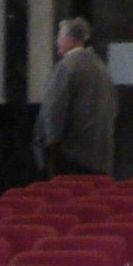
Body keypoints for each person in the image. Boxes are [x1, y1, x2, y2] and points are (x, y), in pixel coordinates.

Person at [32, 16, 117, 177]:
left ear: (70, 40)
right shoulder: (101, 66)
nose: (57, 42)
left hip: (72, 154)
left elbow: (54, 107)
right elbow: (113, 105)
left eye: (59, 37)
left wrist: (50, 142)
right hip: (101, 154)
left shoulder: (66, 67)